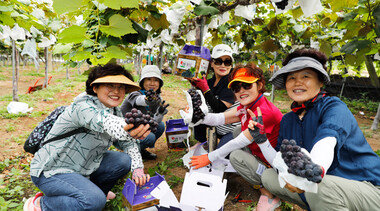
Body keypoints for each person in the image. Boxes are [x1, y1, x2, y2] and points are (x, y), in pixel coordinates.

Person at [250, 48, 380, 210]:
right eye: (291, 77)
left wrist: (313, 171)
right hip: (325, 185)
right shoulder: (288, 120)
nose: (298, 82)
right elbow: (281, 160)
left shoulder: (334, 107)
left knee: (319, 188)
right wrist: (262, 141)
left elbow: (327, 141)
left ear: (320, 81)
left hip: (367, 186)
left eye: (306, 76)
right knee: (269, 176)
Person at [24, 63, 151, 211]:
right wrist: (129, 127)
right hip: (52, 170)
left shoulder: (115, 111)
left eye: (121, 87)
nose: (116, 91)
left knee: (123, 160)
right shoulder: (82, 106)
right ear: (95, 88)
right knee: (93, 201)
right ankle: (41, 204)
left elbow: (127, 142)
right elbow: (103, 121)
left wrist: (138, 169)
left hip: (82, 166)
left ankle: (95, 191)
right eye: (110, 85)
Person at [189, 63, 284, 210]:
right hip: (259, 152)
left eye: (247, 85)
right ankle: (257, 171)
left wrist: (209, 157)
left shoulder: (263, 112)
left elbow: (238, 142)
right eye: (236, 87)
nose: (241, 91)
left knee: (235, 156)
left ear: (259, 85)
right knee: (237, 130)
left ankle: (270, 194)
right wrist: (198, 117)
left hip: (275, 165)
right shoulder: (249, 105)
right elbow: (222, 118)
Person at [188, 44, 239, 149]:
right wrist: (198, 88)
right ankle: (202, 141)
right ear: (211, 64)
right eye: (218, 61)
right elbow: (203, 102)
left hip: (231, 130)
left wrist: (205, 89)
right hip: (217, 125)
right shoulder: (210, 82)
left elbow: (219, 108)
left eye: (227, 62)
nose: (223, 65)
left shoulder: (232, 82)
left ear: (231, 65)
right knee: (198, 108)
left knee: (222, 155)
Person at [120, 65, 168, 160]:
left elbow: (154, 120)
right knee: (149, 137)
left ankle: (140, 150)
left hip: (139, 126)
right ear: (142, 81)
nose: (152, 83)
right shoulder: (134, 93)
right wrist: (148, 99)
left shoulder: (157, 98)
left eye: (156, 80)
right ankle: (131, 151)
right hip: (125, 129)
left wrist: (160, 113)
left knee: (160, 126)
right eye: (149, 79)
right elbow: (139, 100)